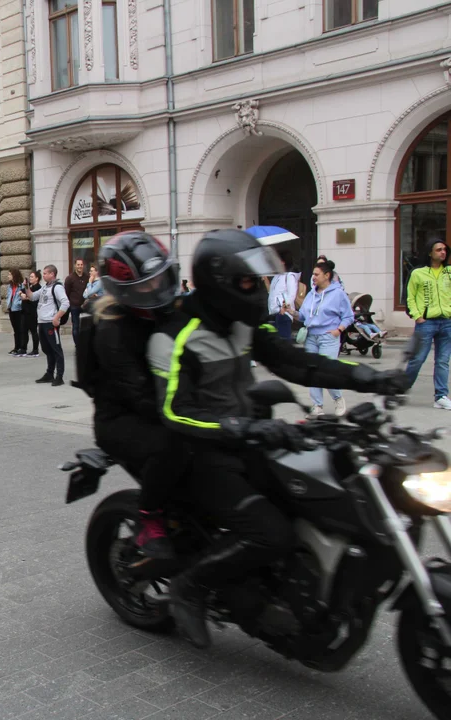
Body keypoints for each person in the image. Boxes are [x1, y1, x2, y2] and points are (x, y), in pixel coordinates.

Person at [146, 229, 407, 649]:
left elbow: (294, 361)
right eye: (251, 282)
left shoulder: (241, 324)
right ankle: (189, 587)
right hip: (200, 455)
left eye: (261, 281)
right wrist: (241, 428)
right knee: (271, 532)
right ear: (221, 282)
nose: (259, 290)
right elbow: (175, 413)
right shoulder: (175, 336)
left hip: (250, 440)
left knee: (321, 498)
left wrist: (367, 378)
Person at [89, 232, 183, 560]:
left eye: (159, 280)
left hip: (164, 401)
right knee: (171, 443)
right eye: (146, 284)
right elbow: (138, 391)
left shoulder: (167, 311)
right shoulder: (112, 330)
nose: (155, 289)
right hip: (121, 418)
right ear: (123, 289)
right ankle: (149, 517)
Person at [298, 259, 353, 417]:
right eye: (313, 274)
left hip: (329, 337)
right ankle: (317, 406)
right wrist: (291, 311)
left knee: (326, 371)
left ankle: (338, 398)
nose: (313, 277)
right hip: (311, 337)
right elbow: (303, 315)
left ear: (327, 275)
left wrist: (338, 330)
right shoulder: (311, 293)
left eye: (317, 274)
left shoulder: (338, 294)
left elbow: (348, 316)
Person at [406, 236, 451, 410]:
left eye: (444, 250)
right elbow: (410, 297)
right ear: (430, 253)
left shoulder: (449, 272)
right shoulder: (418, 273)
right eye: (439, 249)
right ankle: (401, 389)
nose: (443, 252)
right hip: (426, 323)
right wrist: (417, 316)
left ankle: (441, 396)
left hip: (446, 322)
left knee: (443, 361)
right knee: (417, 359)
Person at [23, 265, 69, 386]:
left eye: (45, 273)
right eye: (43, 273)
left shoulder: (57, 287)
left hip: (50, 323)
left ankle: (59, 376)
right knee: (46, 349)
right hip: (42, 322)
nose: (43, 275)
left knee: (56, 349)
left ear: (52, 274)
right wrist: (26, 287)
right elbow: (32, 297)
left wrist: (57, 317)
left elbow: (66, 302)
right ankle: (49, 373)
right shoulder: (44, 287)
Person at [267, 252, 300, 341]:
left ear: (282, 262)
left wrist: (284, 308)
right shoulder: (277, 276)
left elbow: (291, 294)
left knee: (284, 342)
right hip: (274, 313)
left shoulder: (289, 276)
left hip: (283, 313)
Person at [64, 258, 89, 344]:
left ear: (83, 266)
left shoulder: (87, 277)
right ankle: (77, 345)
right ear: (75, 266)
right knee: (76, 326)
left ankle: (85, 343)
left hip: (85, 305)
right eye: (78, 265)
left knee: (86, 325)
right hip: (74, 306)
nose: (80, 266)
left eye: (81, 265)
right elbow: (66, 292)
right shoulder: (70, 278)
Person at [3, 270, 26, 356]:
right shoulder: (10, 286)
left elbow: (24, 296)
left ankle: (21, 347)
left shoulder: (21, 285)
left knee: (20, 329)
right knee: (15, 330)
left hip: (18, 309)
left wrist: (18, 303)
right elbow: (9, 296)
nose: (8, 276)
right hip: (11, 309)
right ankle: (16, 347)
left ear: (14, 275)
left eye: (10, 274)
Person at [22, 271, 42, 358]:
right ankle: (23, 348)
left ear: (37, 278)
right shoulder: (29, 286)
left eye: (32, 277)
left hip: (33, 312)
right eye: (30, 277)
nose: (30, 278)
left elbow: (34, 299)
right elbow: (22, 292)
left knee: (33, 331)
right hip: (25, 311)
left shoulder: (38, 288)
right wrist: (22, 293)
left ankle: (35, 349)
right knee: (24, 331)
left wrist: (25, 297)